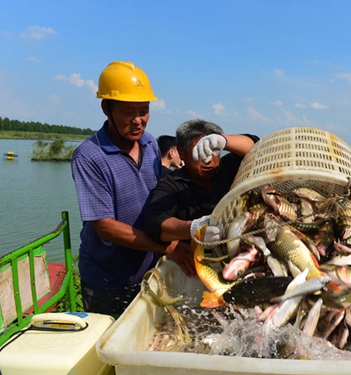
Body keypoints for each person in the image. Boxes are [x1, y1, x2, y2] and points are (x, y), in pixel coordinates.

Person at [71, 61, 188, 314]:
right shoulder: (89, 156)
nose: (138, 121)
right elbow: (104, 226)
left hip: (149, 269)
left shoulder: (149, 143)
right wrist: (165, 246)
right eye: (127, 112)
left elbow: (161, 197)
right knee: (109, 342)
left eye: (144, 110)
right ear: (106, 108)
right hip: (107, 280)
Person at [144, 119, 259, 274]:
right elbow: (156, 222)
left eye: (214, 151)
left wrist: (225, 140)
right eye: (199, 152)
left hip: (241, 258)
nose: (208, 160)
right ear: (182, 152)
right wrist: (192, 229)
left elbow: (255, 146)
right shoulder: (171, 184)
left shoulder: (228, 168)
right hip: (196, 267)